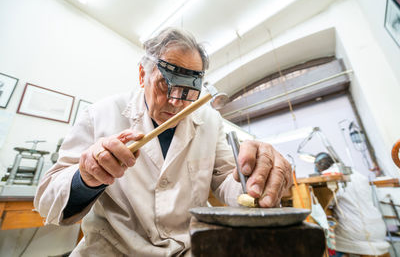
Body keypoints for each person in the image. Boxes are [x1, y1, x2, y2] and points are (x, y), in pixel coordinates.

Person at [34, 27, 293, 256]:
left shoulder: (209, 120)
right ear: (141, 75)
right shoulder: (101, 114)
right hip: (114, 250)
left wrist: (255, 180)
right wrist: (86, 178)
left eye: (189, 92)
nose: (177, 102)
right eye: (164, 85)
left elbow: (227, 180)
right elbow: (46, 197)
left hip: (189, 248)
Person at [314, 152, 390, 257]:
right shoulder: (356, 173)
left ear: (318, 167)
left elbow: (325, 203)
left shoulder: (329, 177)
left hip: (356, 232)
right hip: (379, 228)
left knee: (324, 245)